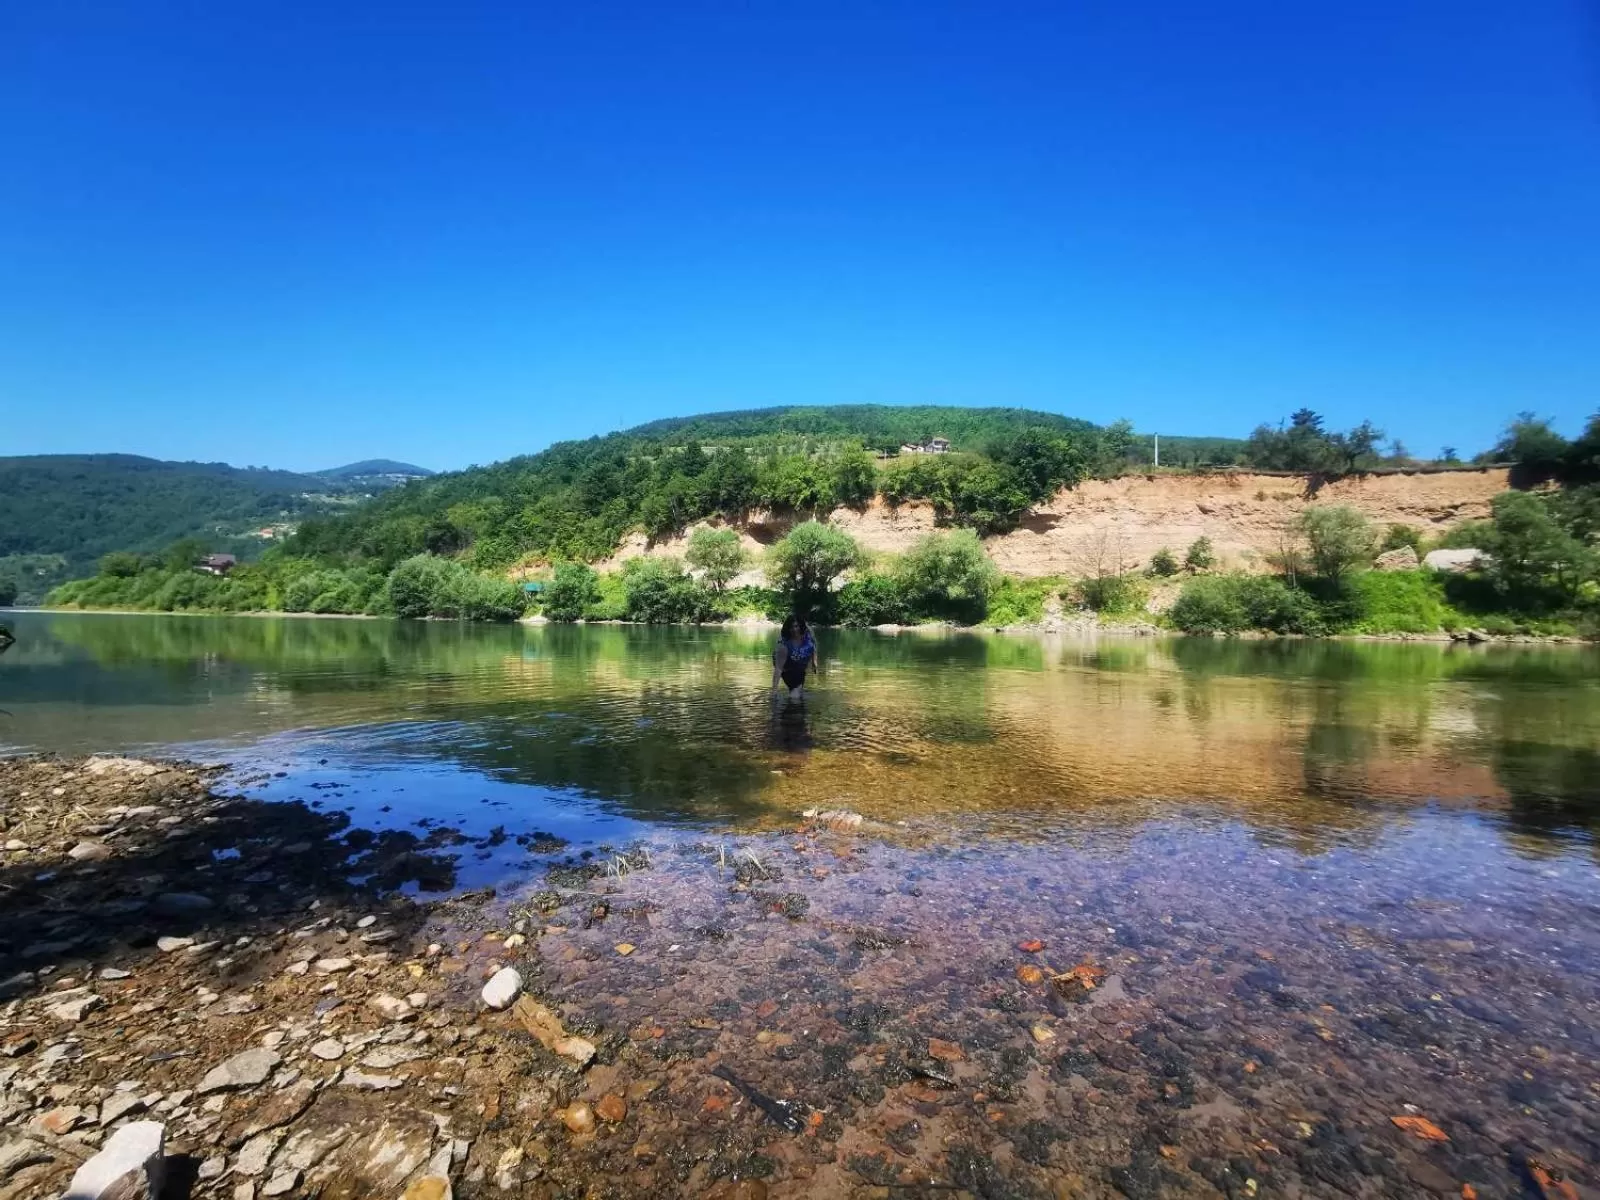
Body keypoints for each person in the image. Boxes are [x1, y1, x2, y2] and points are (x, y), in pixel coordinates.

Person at [771, 614, 817, 697]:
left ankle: (793, 705)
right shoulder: (784, 646)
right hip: (787, 668)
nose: (794, 629)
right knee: (795, 693)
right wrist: (774, 690)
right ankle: (793, 703)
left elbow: (813, 647)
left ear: (801, 626)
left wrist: (814, 662)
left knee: (798, 692)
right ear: (788, 629)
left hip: (800, 666)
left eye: (796, 626)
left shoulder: (808, 634)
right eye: (791, 627)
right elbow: (778, 669)